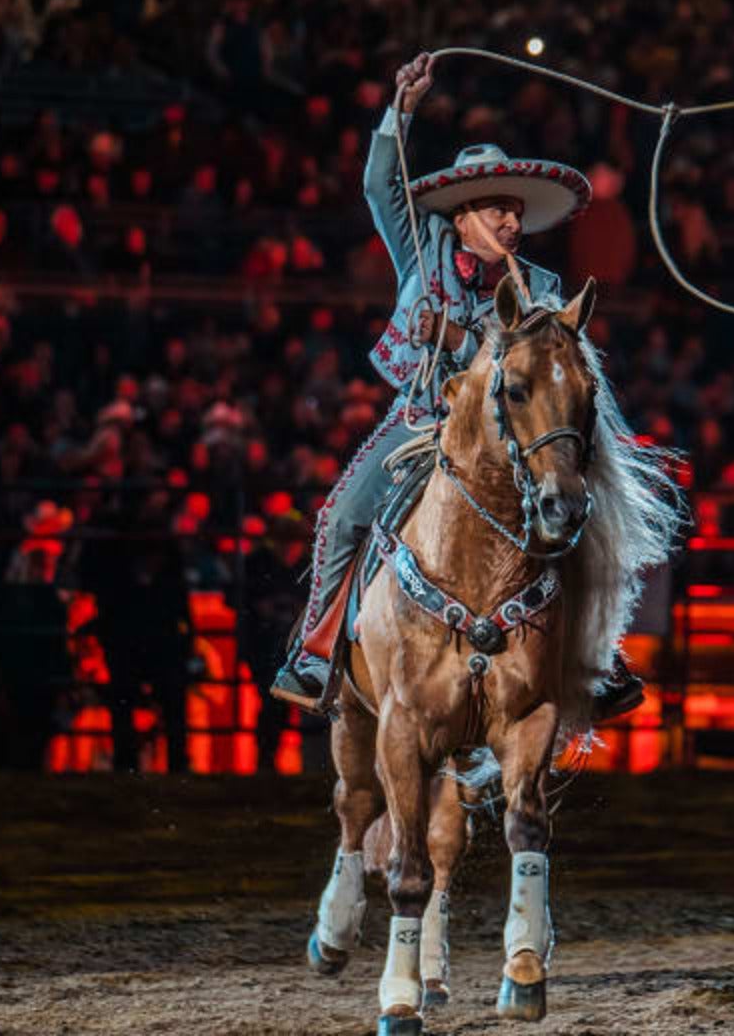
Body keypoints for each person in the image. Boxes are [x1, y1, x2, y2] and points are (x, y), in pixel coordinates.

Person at [269, 52, 643, 720]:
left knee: (581, 527)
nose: (510, 222)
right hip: (419, 421)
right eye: (497, 210)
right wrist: (402, 107)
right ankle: (316, 650)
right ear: (463, 214)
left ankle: (595, 658)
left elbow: (537, 374)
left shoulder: (545, 291)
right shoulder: (423, 245)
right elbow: (380, 183)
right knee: (341, 515)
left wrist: (463, 342)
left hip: (509, 438)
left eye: (514, 213)